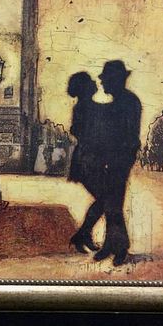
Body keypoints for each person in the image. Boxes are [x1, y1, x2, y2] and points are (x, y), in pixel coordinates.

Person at [93, 60, 142, 265]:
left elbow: (128, 137)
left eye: (105, 79)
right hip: (112, 159)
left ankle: (120, 247)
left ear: (115, 80)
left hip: (120, 159)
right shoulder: (121, 102)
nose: (102, 83)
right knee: (111, 203)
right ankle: (111, 244)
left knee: (113, 203)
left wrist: (114, 157)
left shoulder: (128, 102)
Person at [66, 72, 104, 254]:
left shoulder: (85, 106)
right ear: (85, 88)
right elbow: (78, 130)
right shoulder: (86, 107)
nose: (95, 83)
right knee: (105, 199)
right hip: (88, 159)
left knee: (104, 199)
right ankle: (82, 235)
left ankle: (82, 235)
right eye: (90, 81)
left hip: (87, 157)